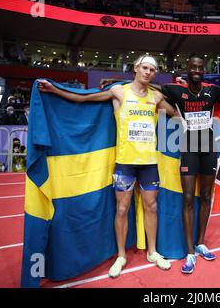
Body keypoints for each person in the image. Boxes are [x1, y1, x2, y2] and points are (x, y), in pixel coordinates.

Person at [38, 55, 177, 278]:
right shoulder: (119, 92)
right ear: (136, 68)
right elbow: (84, 99)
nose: (148, 72)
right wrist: (54, 90)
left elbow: (176, 113)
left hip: (149, 163)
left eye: (152, 69)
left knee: (151, 207)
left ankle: (152, 251)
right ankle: (121, 255)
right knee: (122, 209)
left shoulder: (156, 97)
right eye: (145, 68)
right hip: (125, 164)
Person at [159, 54, 220, 274]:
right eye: (193, 67)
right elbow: (149, 89)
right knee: (187, 199)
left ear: (204, 70)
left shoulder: (212, 92)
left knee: (205, 197)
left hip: (208, 148)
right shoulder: (176, 91)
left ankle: (201, 242)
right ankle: (189, 253)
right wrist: (116, 83)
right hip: (188, 149)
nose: (197, 70)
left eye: (200, 68)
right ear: (187, 69)